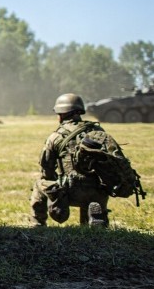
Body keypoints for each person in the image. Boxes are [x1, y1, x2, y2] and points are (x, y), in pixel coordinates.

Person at [30, 93, 111, 228]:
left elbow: (46, 169)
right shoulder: (97, 131)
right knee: (91, 197)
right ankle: (94, 218)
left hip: (70, 193)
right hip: (98, 192)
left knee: (39, 184)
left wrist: (55, 193)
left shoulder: (56, 136)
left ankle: (37, 224)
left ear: (61, 114)